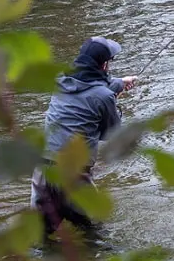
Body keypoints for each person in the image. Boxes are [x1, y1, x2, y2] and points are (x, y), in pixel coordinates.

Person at [31, 36, 137, 236]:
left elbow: (87, 86)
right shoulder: (103, 96)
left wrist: (120, 84)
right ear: (104, 64)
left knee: (40, 237)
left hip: (43, 171)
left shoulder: (60, 79)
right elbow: (110, 134)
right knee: (94, 235)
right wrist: (113, 105)